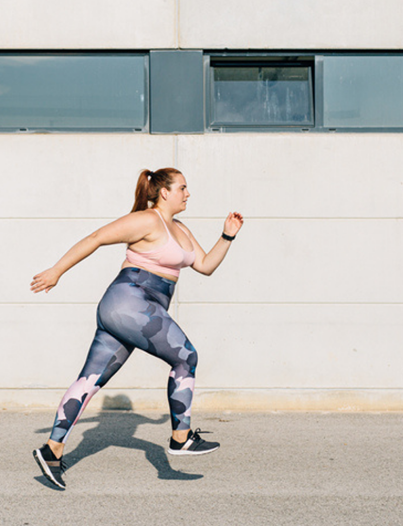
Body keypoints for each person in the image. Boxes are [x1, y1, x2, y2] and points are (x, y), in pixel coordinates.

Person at [31, 167, 244, 489]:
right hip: (129, 300)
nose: (188, 194)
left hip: (139, 309)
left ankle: (51, 450)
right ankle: (181, 438)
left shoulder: (181, 228)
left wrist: (227, 235)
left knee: (90, 379)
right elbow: (96, 238)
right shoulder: (147, 220)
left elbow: (205, 266)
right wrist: (57, 271)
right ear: (164, 192)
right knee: (186, 357)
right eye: (183, 188)